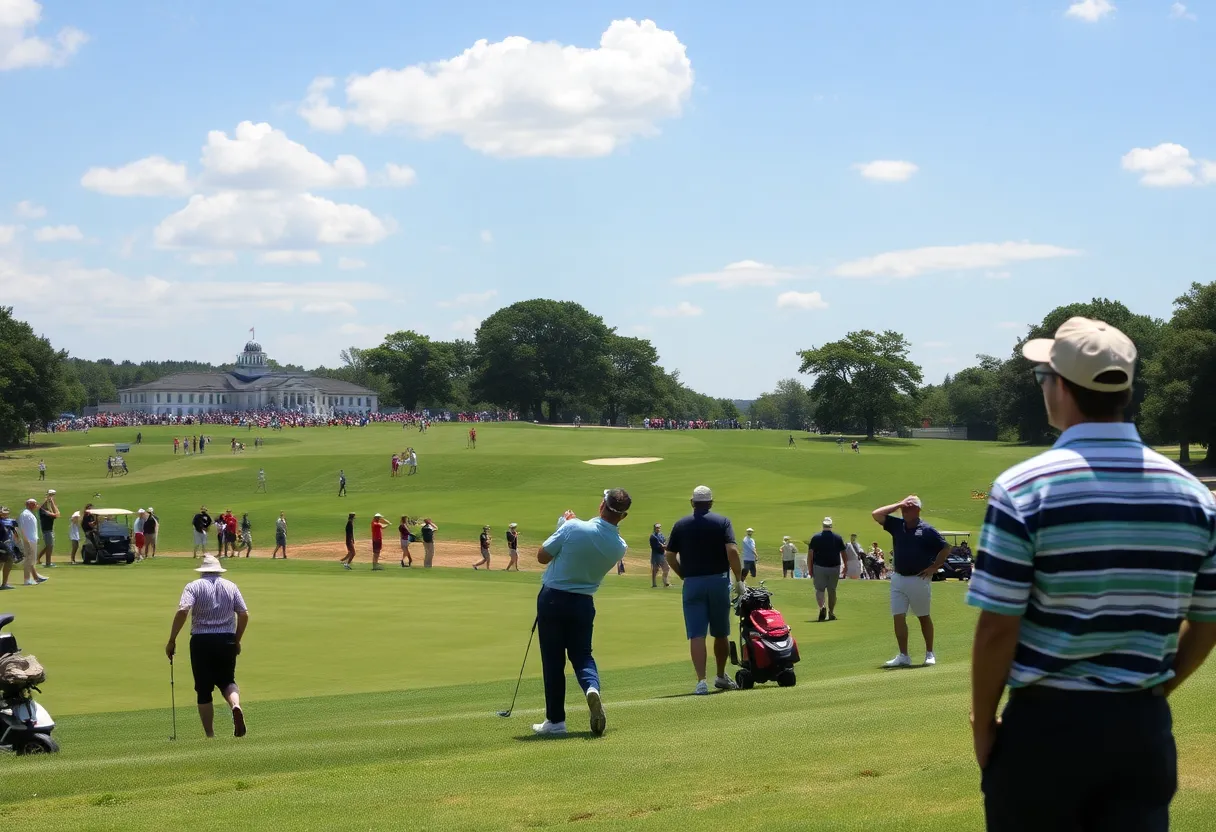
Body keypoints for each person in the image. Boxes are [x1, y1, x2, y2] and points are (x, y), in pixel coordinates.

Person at [967, 316, 1216, 831]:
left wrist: (983, 724)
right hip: (1141, 731)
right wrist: (1152, 692)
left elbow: (997, 628)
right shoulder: (1193, 495)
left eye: (1043, 378)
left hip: (1044, 730)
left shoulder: (1023, 488)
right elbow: (1208, 622)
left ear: (1060, 388)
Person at [531, 488, 632, 736]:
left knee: (554, 661)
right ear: (624, 516)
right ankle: (591, 688)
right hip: (583, 603)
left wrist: (562, 526)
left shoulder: (573, 527)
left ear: (601, 505)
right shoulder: (619, 546)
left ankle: (555, 722)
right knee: (583, 655)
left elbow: (542, 557)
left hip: (553, 598)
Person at [665, 485, 745, 695]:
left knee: (697, 634)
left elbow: (670, 555)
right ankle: (720, 676)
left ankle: (701, 682)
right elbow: (732, 551)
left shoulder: (680, 525)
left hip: (692, 583)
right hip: (718, 582)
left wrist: (683, 574)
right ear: (710, 503)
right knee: (721, 632)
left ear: (692, 503)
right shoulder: (722, 522)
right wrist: (738, 579)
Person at [165, 554, 249, 739]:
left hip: (201, 641)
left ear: (202, 571)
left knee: (203, 689)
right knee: (228, 680)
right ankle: (235, 705)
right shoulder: (231, 586)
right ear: (218, 570)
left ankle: (210, 734)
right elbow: (243, 614)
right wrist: (237, 639)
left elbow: (182, 610)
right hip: (226, 639)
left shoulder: (193, 587)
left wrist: (172, 639)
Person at [872, 495, 951, 667]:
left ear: (917, 510)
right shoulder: (897, 525)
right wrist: (898, 503)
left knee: (923, 617)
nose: (904, 511)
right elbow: (876, 514)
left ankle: (929, 653)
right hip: (898, 578)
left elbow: (945, 548)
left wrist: (935, 567)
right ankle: (903, 655)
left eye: (908, 508)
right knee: (898, 617)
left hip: (918, 579)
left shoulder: (927, 530)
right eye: (904, 508)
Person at [809, 517, 845, 621]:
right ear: (831, 526)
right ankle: (831, 612)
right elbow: (843, 553)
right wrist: (846, 566)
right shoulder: (838, 538)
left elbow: (810, 554)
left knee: (820, 590)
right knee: (832, 590)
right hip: (834, 567)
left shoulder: (816, 538)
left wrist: (810, 568)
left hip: (819, 567)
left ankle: (822, 607)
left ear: (823, 525)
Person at [17, 499, 49, 586]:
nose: (36, 505)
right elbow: (21, 527)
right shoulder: (25, 514)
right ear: (29, 504)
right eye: (34, 504)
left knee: (31, 560)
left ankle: (36, 577)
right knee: (29, 560)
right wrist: (25, 539)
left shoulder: (30, 513)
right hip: (29, 540)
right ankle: (27, 579)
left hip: (33, 539)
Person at [37, 490, 59, 568]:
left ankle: (38, 558)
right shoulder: (43, 511)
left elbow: (57, 513)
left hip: (49, 530)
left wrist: (51, 500)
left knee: (48, 546)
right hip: (47, 531)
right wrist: (50, 499)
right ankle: (48, 563)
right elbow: (56, 515)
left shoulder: (47, 510)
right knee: (49, 546)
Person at [0, 506, 17, 590]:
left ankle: (4, 584)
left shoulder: (6, 521)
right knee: (9, 560)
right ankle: (4, 584)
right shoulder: (5, 522)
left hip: (4, 545)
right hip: (3, 545)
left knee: (1, 562)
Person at [649, 523, 670, 588]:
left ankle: (665, 582)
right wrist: (664, 546)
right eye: (657, 528)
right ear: (654, 528)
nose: (658, 529)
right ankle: (654, 584)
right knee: (655, 569)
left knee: (666, 568)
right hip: (656, 555)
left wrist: (665, 545)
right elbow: (657, 547)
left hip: (662, 554)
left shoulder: (661, 535)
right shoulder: (653, 537)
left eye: (659, 528)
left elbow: (664, 542)